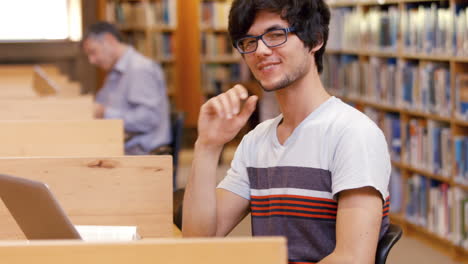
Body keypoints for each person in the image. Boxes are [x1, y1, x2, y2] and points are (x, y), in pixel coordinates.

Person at [182, 0, 391, 263]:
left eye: (275, 35)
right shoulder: (256, 141)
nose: (260, 50)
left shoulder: (353, 133)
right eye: (248, 41)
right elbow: (197, 241)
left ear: (315, 40)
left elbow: (352, 259)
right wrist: (207, 146)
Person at [82, 21, 171, 155]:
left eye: (93, 52)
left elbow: (149, 118)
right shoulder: (114, 70)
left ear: (109, 40)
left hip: (142, 153)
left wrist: (105, 113)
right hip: (122, 145)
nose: (92, 60)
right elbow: (100, 104)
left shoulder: (139, 69)